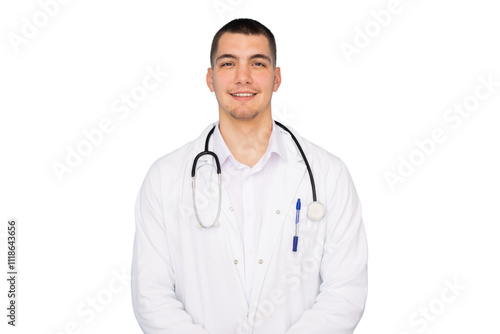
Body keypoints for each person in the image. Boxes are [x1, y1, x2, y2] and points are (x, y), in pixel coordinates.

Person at [131, 18, 368, 334]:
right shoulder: (165, 178)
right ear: (210, 78)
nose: (243, 77)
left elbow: (346, 291)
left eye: (257, 63)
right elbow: (151, 295)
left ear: (276, 77)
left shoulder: (328, 175)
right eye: (228, 63)